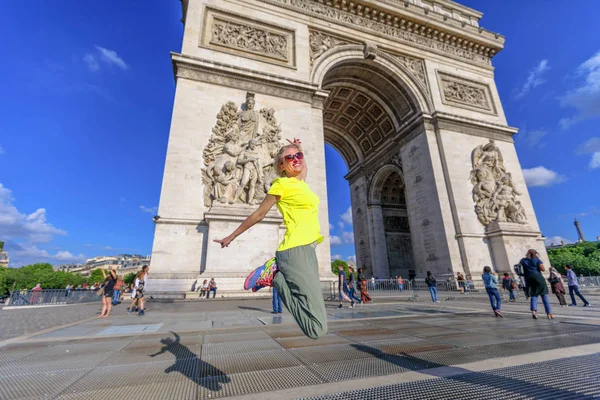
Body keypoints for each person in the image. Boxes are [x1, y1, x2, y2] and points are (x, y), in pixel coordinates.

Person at [214, 138, 328, 339]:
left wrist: (300, 149)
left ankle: (275, 273)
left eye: (298, 156)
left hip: (307, 250)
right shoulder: (280, 184)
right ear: (281, 165)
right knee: (317, 329)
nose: (296, 160)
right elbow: (259, 214)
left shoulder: (300, 183)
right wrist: (231, 236)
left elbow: (304, 169)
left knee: (318, 320)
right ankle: (274, 277)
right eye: (289, 158)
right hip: (295, 251)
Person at [519, 249, 554, 319]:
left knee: (534, 295)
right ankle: (549, 313)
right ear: (535, 253)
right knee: (544, 295)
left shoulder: (523, 260)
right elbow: (543, 269)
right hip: (538, 277)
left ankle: (534, 312)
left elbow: (519, 268)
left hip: (528, 278)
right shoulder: (537, 260)